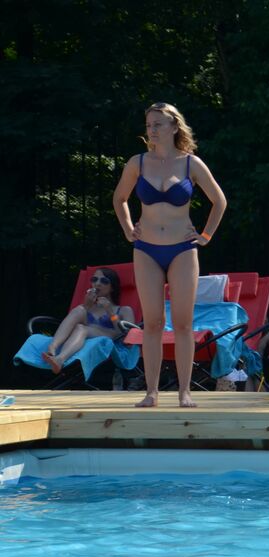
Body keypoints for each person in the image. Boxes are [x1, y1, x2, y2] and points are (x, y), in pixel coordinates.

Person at [113, 102, 227, 409]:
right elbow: (119, 198)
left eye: (158, 124)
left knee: (183, 324)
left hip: (182, 249)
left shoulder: (191, 163)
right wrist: (127, 229)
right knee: (151, 323)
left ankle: (184, 392)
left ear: (174, 127)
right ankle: (151, 392)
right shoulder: (138, 163)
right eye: (149, 124)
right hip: (147, 249)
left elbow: (219, 201)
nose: (152, 130)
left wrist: (205, 236)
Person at [41, 267, 137, 373]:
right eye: (94, 279)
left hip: (114, 343)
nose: (98, 283)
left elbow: (128, 339)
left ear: (112, 287)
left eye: (104, 281)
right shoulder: (86, 308)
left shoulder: (124, 310)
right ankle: (53, 347)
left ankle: (60, 359)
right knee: (79, 313)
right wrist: (86, 306)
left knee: (83, 329)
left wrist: (111, 312)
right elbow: (76, 323)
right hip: (89, 334)